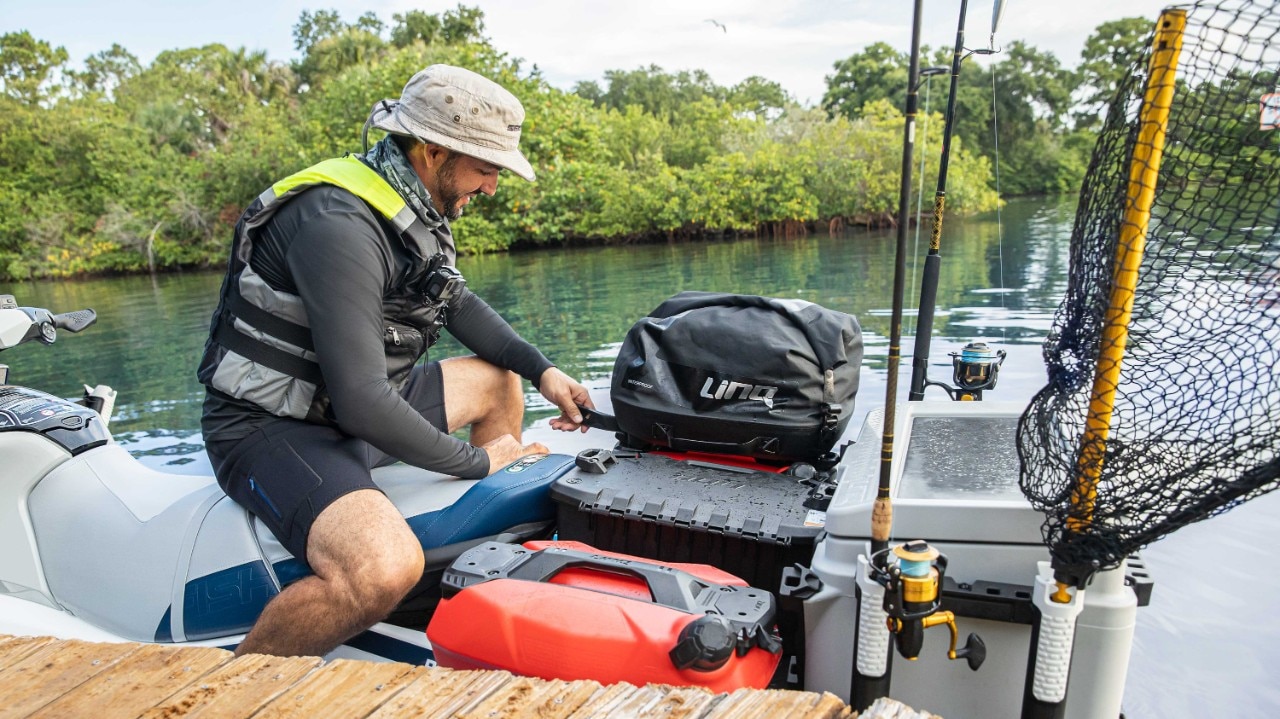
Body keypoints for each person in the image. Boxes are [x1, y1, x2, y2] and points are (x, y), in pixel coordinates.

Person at [196, 64, 594, 657]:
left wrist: (543, 370)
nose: (491, 187)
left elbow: (455, 301)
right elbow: (361, 399)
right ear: (434, 152)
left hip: (354, 408)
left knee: (497, 380)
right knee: (381, 569)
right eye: (486, 168)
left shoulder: (406, 202)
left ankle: (466, 579)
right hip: (273, 428)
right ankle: (234, 685)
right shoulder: (335, 223)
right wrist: (477, 461)